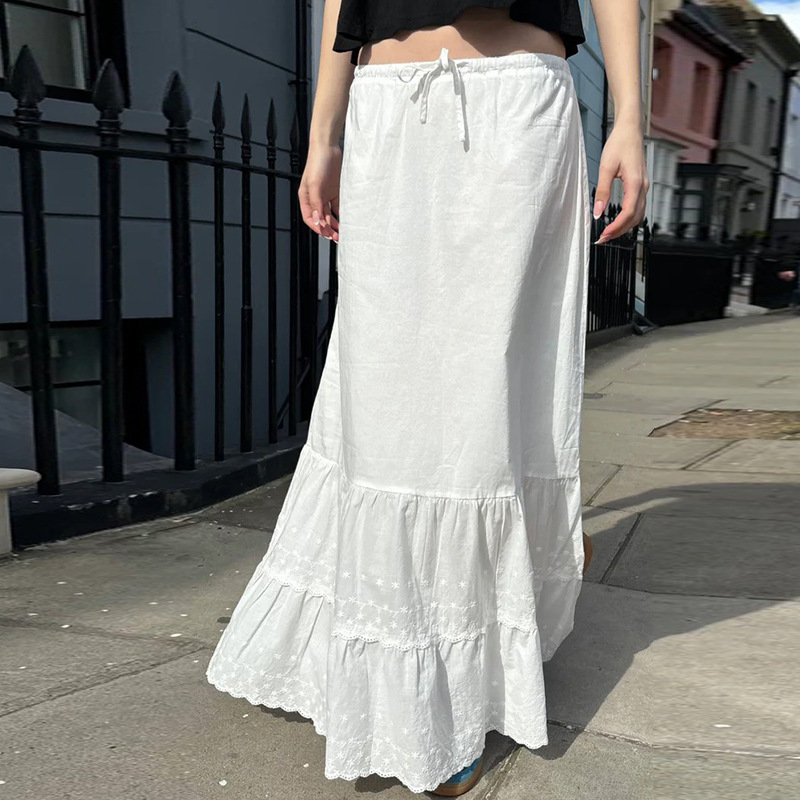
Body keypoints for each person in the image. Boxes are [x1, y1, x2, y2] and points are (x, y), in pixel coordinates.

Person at [207, 1, 648, 796]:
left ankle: (449, 690)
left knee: (486, 382)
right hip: (386, 102)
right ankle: (446, 615)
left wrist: (629, 119)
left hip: (519, 99)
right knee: (385, 398)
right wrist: (324, 135)